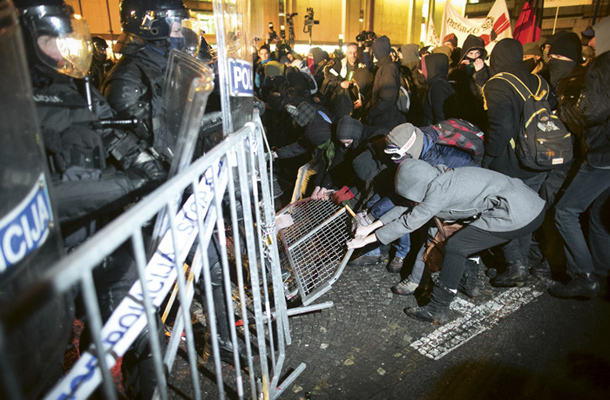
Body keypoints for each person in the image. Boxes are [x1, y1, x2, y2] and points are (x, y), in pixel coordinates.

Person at [15, 0, 168, 397]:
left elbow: (111, 131)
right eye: (52, 40)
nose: (63, 49)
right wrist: (129, 184)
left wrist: (147, 161)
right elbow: (37, 198)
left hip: (100, 237)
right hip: (39, 266)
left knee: (138, 328)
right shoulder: (10, 105)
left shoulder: (72, 88)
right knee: (46, 369)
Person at [348, 160, 545, 325]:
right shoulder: (439, 177)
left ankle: (438, 308)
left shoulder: (437, 194)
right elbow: (407, 207)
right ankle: (510, 269)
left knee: (456, 246)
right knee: (476, 235)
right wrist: (370, 227)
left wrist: (366, 241)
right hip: (529, 203)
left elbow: (408, 221)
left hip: (518, 215)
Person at [549, 17, 610, 299]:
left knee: (566, 211)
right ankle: (602, 273)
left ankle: (585, 277)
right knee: (598, 215)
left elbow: (592, 111)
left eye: (595, 36)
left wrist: (566, 110)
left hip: (602, 153)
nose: (591, 43)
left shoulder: (603, 64)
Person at [367, 35, 406, 130]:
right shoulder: (385, 67)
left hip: (388, 120)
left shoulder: (388, 68)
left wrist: (371, 114)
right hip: (386, 118)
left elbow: (387, 98)